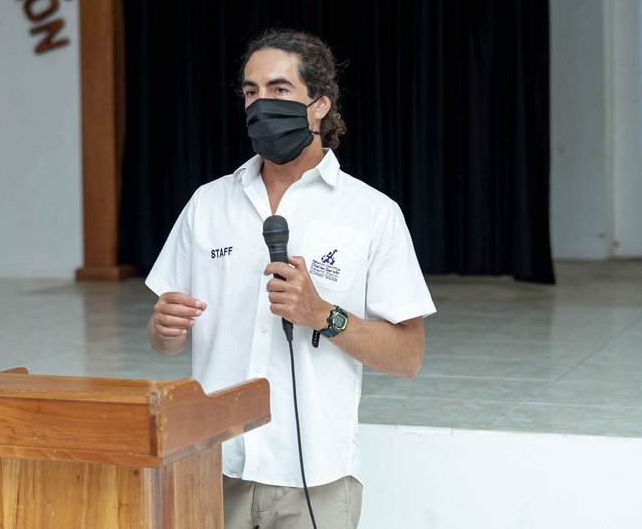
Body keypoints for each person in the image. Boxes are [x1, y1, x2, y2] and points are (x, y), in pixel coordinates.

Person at [146, 28, 436, 529]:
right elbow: (165, 342)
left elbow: (407, 356)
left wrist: (324, 315)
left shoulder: (371, 213)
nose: (261, 104)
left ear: (319, 104)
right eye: (250, 91)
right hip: (212, 468)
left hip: (315, 483)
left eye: (279, 90)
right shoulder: (207, 204)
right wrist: (164, 329)